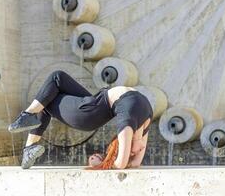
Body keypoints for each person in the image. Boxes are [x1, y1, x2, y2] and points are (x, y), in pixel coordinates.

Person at [8, 70, 153, 169]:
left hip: (89, 114)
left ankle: (27, 121)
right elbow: (135, 162)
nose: (140, 150)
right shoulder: (144, 122)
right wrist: (133, 154)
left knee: (48, 100)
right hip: (95, 100)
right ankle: (28, 125)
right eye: (133, 152)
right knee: (58, 77)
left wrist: (104, 163)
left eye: (130, 152)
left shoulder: (127, 124)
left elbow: (121, 164)